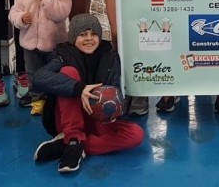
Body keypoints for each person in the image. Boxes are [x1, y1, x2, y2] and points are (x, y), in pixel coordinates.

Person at [33, 14, 144, 174]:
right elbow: (39, 78)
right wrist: (79, 88)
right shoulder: (61, 56)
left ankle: (72, 145)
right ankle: (73, 138)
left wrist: (114, 107)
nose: (89, 39)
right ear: (72, 37)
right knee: (68, 72)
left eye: (93, 34)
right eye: (82, 34)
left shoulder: (110, 57)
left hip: (97, 118)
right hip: (68, 118)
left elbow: (116, 91)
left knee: (136, 134)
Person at [9, 0, 73, 116]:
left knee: (55, 74)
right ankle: (37, 100)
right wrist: (21, 19)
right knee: (33, 75)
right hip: (30, 46)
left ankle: (55, 101)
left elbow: (61, 14)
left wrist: (47, 0)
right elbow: (13, 14)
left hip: (53, 46)